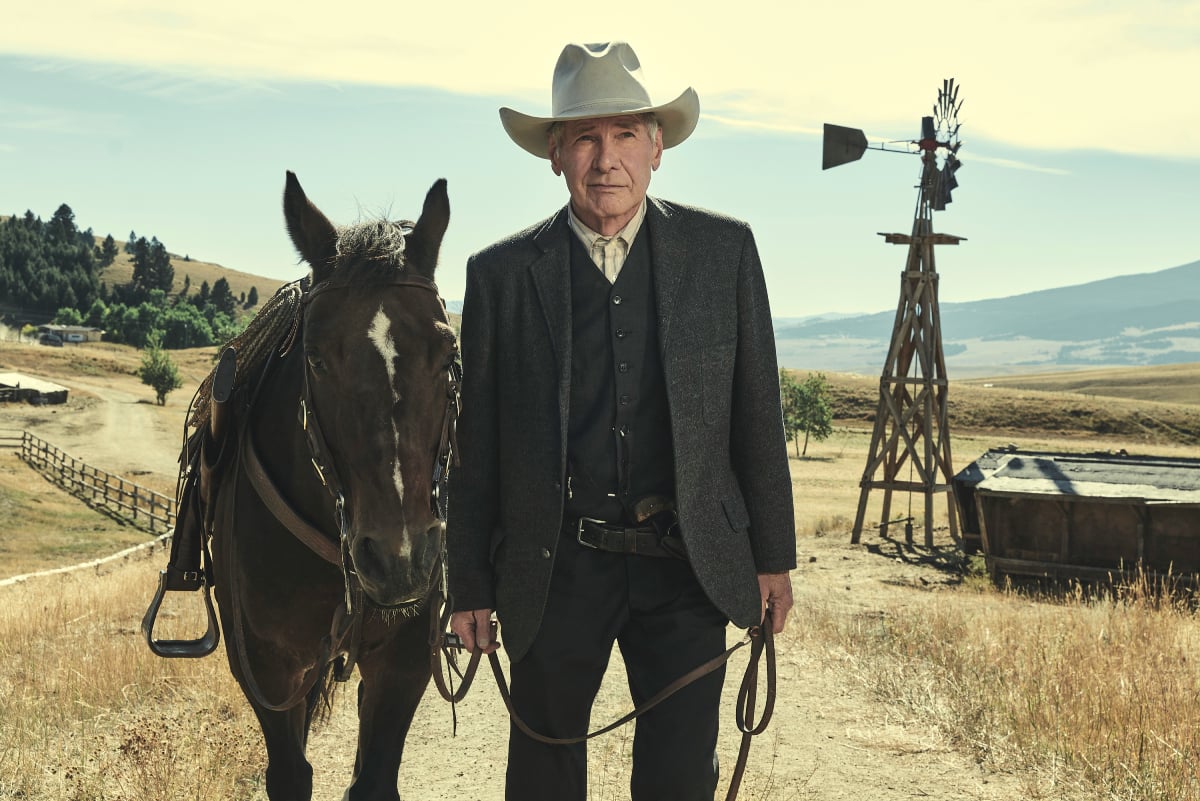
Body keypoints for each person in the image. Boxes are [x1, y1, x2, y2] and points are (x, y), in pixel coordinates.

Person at [447, 41, 796, 801]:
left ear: (658, 147)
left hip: (687, 565)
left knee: (678, 782)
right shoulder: (499, 277)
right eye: (585, 138)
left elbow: (756, 417)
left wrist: (773, 554)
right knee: (542, 778)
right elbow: (474, 452)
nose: (607, 159)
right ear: (555, 155)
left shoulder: (724, 252)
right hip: (556, 565)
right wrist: (468, 582)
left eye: (626, 135)